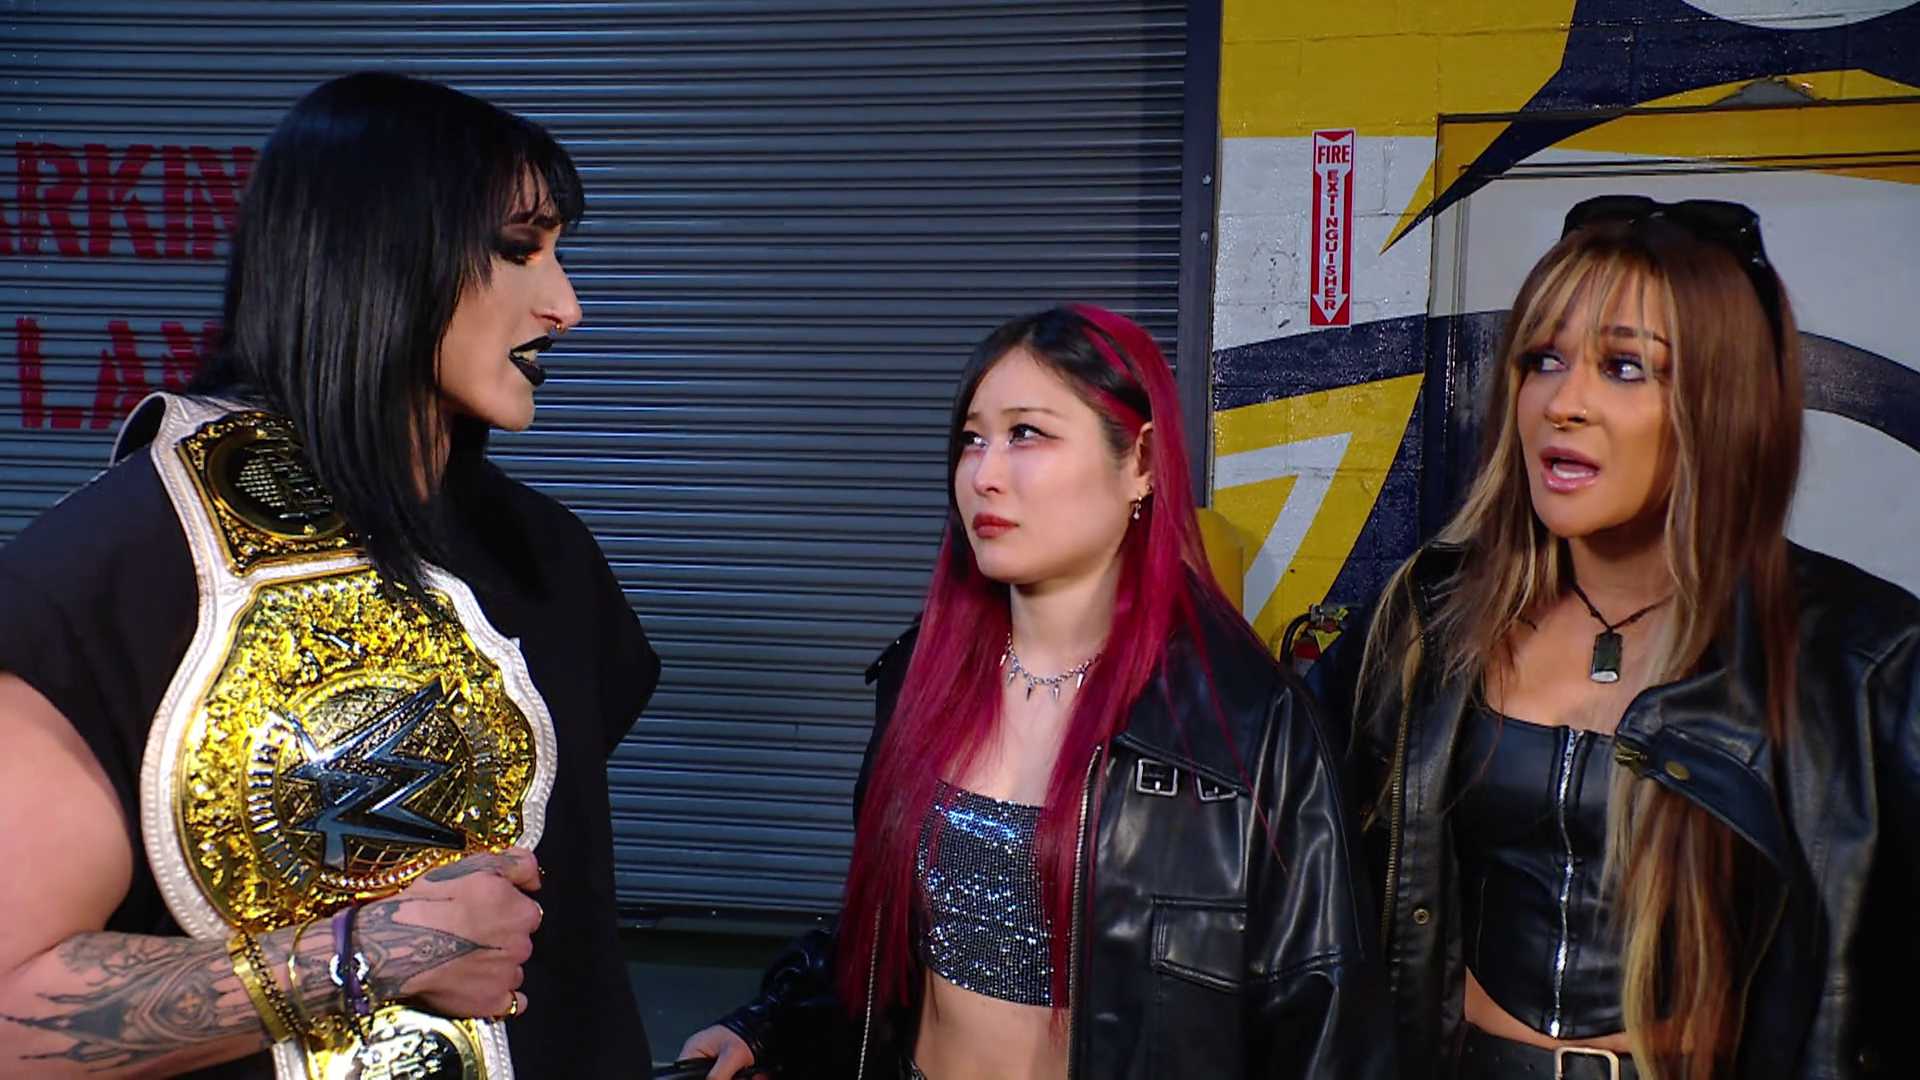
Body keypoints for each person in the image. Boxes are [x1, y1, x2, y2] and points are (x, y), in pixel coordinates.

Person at [0, 72, 660, 1079]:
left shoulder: (549, 558)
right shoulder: (113, 572)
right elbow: (13, 1014)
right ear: (381, 253)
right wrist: (364, 957)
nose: (565, 306)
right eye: (519, 248)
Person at [676, 305, 1392, 1080]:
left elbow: (1323, 1028)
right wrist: (773, 1024)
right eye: (972, 439)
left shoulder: (1252, 728)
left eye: (1026, 433)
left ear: (1142, 462)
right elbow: (881, 936)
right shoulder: (923, 677)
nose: (984, 474)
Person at [1313, 196, 1920, 1080]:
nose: (1565, 403)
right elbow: (1273, 822)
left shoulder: (1864, 660)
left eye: (1626, 367)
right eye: (1543, 360)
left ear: (1722, 403)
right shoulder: (1429, 618)